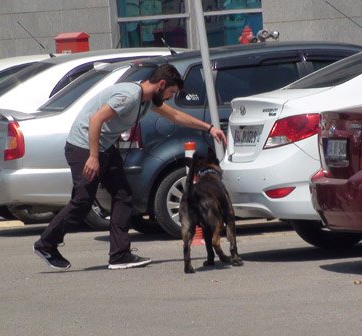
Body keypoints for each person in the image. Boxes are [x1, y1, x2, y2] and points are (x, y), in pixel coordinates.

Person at [33, 64, 227, 270]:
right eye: (171, 92)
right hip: (83, 147)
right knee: (82, 201)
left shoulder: (147, 99)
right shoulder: (129, 95)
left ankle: (119, 255)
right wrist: (93, 156)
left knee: (124, 195)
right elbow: (95, 119)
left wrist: (210, 128)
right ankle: (46, 244)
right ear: (161, 84)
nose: (170, 97)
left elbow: (176, 116)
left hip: (104, 147)